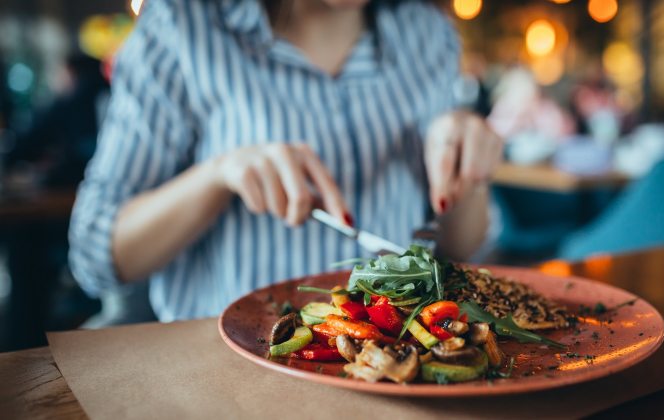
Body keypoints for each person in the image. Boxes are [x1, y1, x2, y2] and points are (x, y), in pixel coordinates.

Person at [69, 0, 501, 322]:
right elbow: (94, 255)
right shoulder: (183, 26)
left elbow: (459, 247)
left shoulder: (429, 34)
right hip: (232, 384)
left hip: (398, 377)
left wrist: (469, 169)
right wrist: (218, 175)